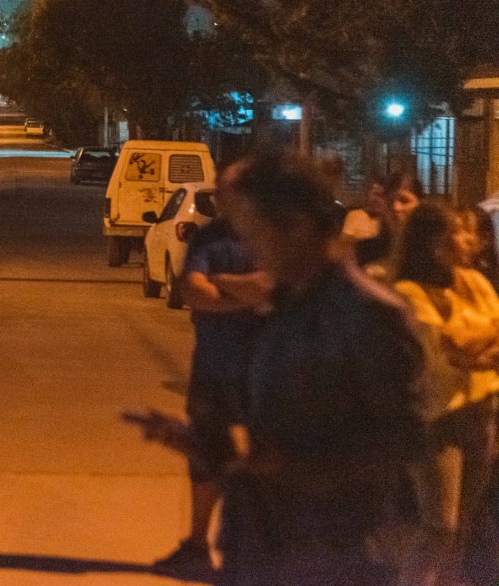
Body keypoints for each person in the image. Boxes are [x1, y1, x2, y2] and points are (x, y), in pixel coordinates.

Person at [217, 150, 427, 586]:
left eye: (255, 233)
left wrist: (296, 470)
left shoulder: (368, 316)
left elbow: (403, 442)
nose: (248, 249)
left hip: (339, 554)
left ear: (297, 226)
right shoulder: (283, 308)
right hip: (266, 545)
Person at [152, 161, 271, 573]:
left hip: (267, 372)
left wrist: (221, 283)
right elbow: (193, 290)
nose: (219, 199)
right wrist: (247, 297)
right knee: (204, 455)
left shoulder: (273, 238)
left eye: (227, 192)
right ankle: (197, 544)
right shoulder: (208, 237)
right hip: (213, 368)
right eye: (218, 192)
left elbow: (273, 287)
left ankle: (259, 551)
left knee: (267, 461)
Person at [392, 203, 499, 585]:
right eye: (455, 232)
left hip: (481, 411)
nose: (467, 239)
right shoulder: (408, 291)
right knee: (440, 525)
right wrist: (481, 342)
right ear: (430, 243)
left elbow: (464, 344)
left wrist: (471, 347)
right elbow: (449, 347)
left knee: (463, 523)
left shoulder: (475, 282)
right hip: (436, 419)